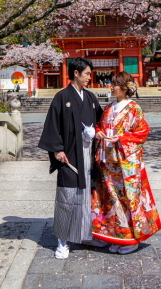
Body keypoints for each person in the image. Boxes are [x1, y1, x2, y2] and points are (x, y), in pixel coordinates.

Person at [38, 57, 107, 259]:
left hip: (88, 154)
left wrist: (97, 131)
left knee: (86, 198)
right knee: (67, 197)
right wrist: (57, 150)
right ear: (76, 73)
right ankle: (62, 241)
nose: (89, 78)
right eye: (87, 74)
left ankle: (85, 235)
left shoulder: (91, 97)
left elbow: (101, 120)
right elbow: (52, 125)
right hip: (69, 156)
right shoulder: (62, 97)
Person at [91, 72, 161, 254]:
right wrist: (99, 132)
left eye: (115, 84)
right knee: (111, 199)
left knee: (128, 198)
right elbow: (100, 125)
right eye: (112, 84)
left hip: (126, 162)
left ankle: (132, 239)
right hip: (108, 159)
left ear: (124, 88)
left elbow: (142, 132)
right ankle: (117, 236)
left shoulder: (133, 108)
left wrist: (121, 138)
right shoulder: (109, 107)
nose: (111, 87)